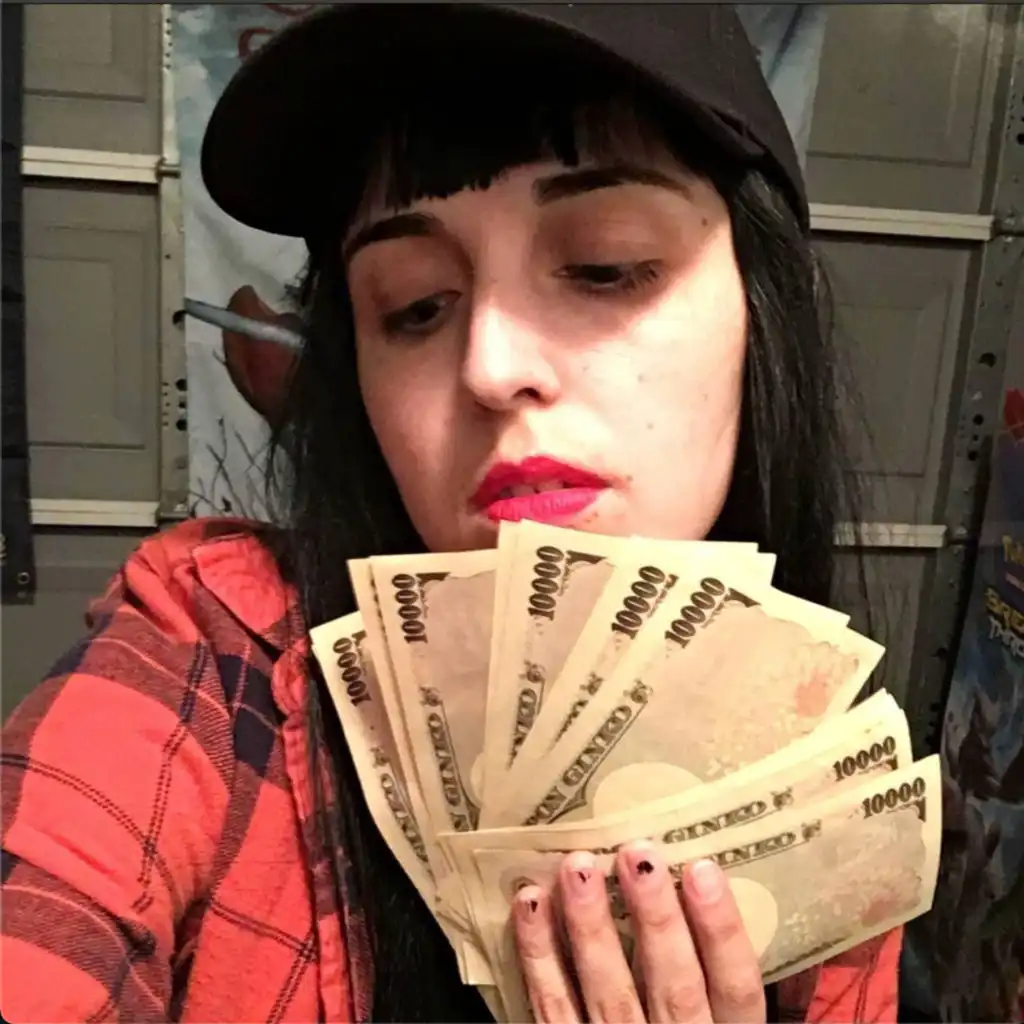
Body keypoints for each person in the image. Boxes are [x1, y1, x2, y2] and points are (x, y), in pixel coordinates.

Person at [0, 5, 901, 1022]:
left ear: (762, 311)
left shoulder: (829, 798)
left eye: (604, 265)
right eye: (415, 305)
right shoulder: (204, 663)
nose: (489, 366)